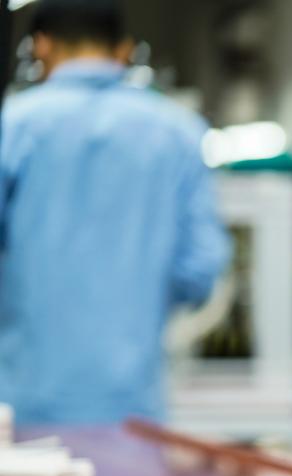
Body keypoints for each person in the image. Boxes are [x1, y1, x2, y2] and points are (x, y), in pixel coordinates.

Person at [0, 0, 229, 425]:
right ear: (124, 50)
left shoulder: (13, 125)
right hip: (133, 407)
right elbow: (199, 270)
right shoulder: (178, 132)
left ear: (41, 47)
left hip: (22, 407)